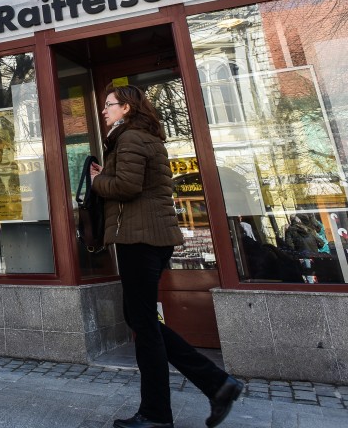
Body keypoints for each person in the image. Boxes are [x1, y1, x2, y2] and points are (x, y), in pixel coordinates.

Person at [90, 85, 241, 428]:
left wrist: (98, 180)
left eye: (110, 104)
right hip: (151, 239)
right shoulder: (145, 137)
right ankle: (216, 384)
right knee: (140, 319)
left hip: (139, 239)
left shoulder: (130, 138)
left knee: (143, 324)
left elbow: (127, 187)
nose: (104, 110)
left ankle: (158, 413)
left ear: (127, 108)